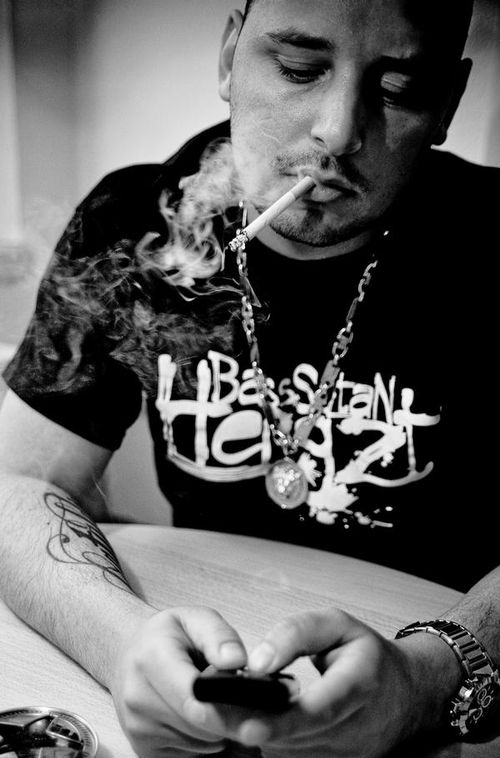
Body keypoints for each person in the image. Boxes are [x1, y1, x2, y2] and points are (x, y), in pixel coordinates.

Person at [0, 0, 499, 755]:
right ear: (231, 57)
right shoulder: (132, 221)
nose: (338, 131)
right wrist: (122, 643)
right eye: (299, 68)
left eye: (398, 90)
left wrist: (425, 681)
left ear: (449, 103)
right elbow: (16, 485)